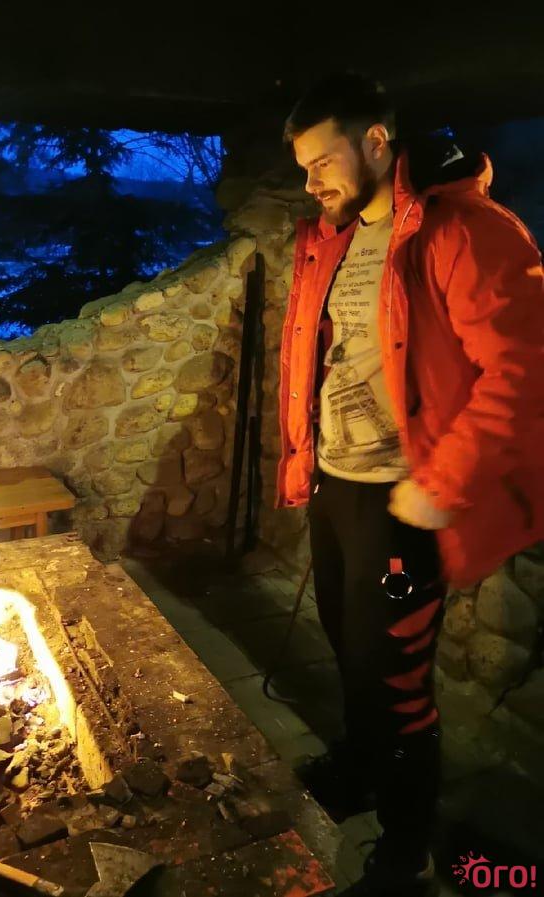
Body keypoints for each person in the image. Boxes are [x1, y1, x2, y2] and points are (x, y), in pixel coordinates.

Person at [276, 70, 544, 896]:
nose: (311, 183)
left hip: (404, 502)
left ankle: (407, 848)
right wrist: (304, 458)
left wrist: (442, 483)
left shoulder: (466, 230)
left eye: (322, 162)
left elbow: (525, 369)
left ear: (376, 142)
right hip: (338, 487)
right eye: (302, 169)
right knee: (348, 647)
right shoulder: (328, 238)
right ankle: (362, 771)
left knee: (394, 680)